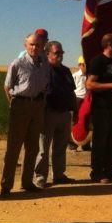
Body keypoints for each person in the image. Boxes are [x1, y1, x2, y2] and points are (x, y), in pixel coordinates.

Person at [0, 33, 51, 196]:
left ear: (43, 46)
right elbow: (7, 87)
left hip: (37, 106)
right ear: (25, 45)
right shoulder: (18, 63)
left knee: (33, 147)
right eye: (31, 44)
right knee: (14, 148)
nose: (35, 48)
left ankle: (27, 182)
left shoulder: (45, 64)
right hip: (20, 105)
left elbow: (46, 84)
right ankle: (6, 185)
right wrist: (14, 104)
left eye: (38, 45)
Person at [86, 33, 112, 184]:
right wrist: (111, 85)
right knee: (100, 140)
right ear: (110, 45)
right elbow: (89, 84)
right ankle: (97, 172)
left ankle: (110, 170)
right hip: (101, 107)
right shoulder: (98, 61)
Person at [34, 41, 77, 187]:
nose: (60, 56)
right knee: (43, 148)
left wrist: (74, 111)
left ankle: (59, 174)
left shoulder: (65, 71)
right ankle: (40, 176)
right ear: (47, 54)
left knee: (60, 146)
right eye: (56, 53)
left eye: (61, 53)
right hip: (48, 113)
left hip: (64, 113)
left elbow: (72, 92)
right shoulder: (43, 70)